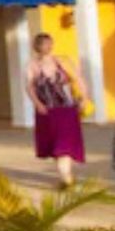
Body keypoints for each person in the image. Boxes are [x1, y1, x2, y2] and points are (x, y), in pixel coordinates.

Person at [26, 32, 86, 187]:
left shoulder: (62, 61)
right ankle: (66, 177)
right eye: (44, 43)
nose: (48, 46)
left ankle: (66, 178)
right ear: (37, 47)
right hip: (47, 111)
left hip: (66, 108)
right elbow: (30, 87)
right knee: (55, 146)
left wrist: (84, 98)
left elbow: (78, 78)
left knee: (65, 146)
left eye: (49, 43)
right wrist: (38, 104)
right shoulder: (33, 65)